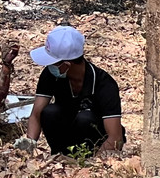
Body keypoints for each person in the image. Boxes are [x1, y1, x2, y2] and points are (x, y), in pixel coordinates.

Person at [18, 26, 125, 156]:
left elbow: (115, 138)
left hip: (95, 144)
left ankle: (84, 157)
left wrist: (94, 164)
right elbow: (36, 114)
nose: (49, 66)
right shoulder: (50, 75)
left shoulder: (104, 84)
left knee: (85, 118)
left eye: (53, 63)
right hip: (67, 133)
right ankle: (59, 155)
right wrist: (29, 144)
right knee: (49, 112)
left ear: (66, 65)